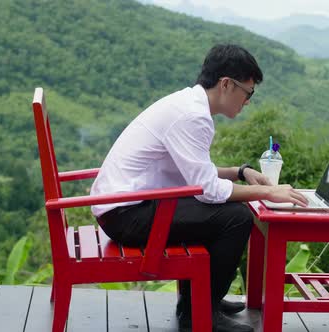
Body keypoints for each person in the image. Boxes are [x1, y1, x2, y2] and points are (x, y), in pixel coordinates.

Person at [90, 44, 308, 332]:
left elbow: (194, 175)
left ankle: (202, 302)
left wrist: (240, 173)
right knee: (236, 217)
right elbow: (207, 189)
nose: (247, 101)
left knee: (218, 211)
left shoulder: (187, 104)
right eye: (248, 92)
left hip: (123, 208)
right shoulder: (193, 117)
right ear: (227, 84)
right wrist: (269, 192)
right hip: (127, 216)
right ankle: (200, 313)